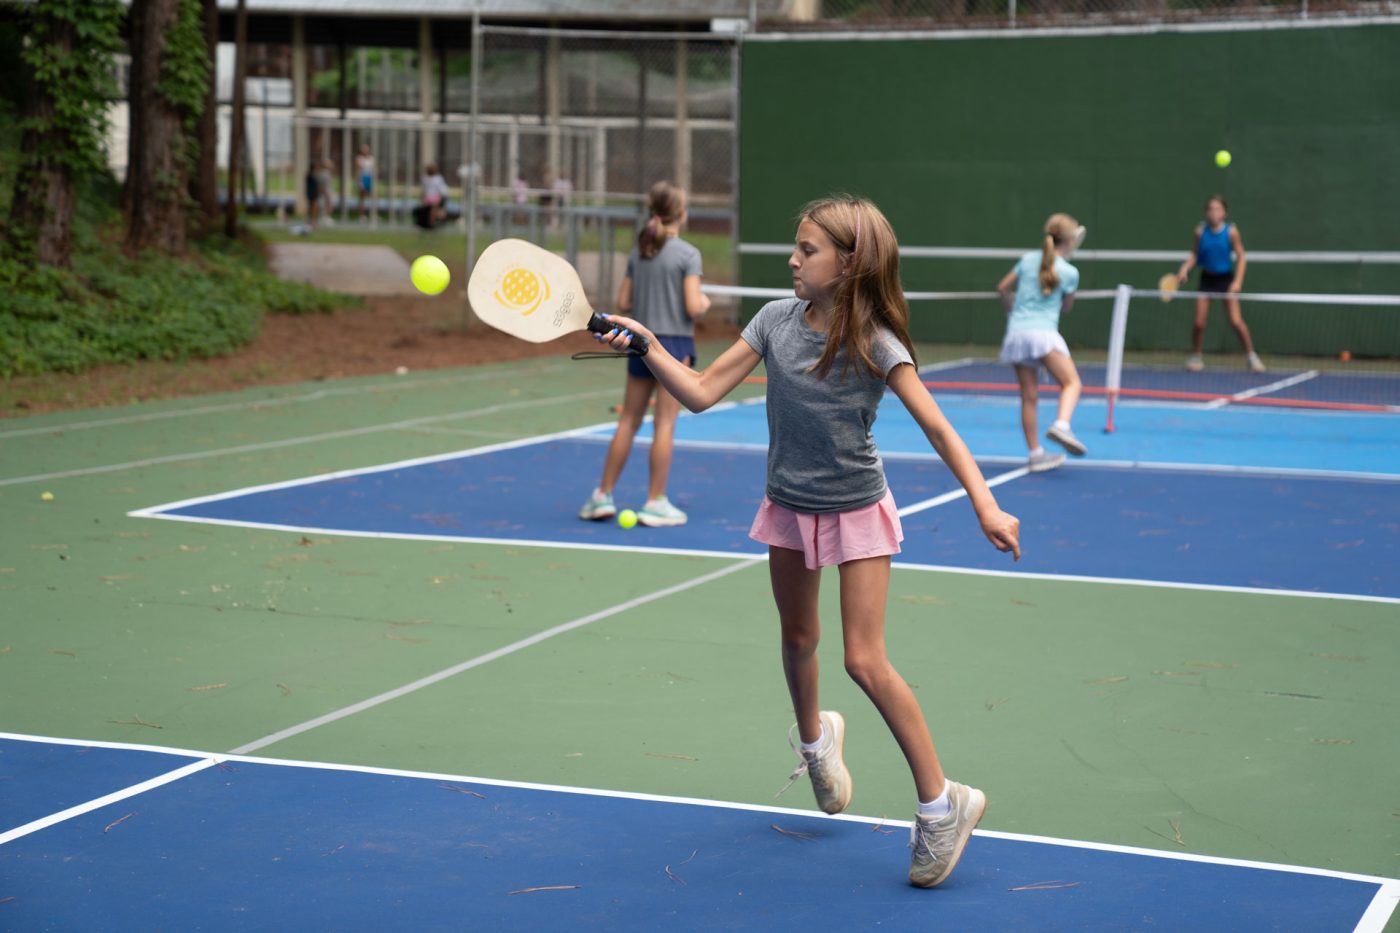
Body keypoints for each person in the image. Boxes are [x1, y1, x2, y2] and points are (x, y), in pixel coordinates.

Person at [593, 195, 1021, 888]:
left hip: (856, 509)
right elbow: (699, 391)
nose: (792, 260)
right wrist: (647, 343)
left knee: (863, 659)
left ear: (849, 264)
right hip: (790, 504)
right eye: (795, 247)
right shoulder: (773, 321)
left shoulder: (876, 342)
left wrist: (986, 504)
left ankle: (944, 804)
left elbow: (940, 429)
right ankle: (817, 743)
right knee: (797, 639)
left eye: (807, 250)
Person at [579, 181, 710, 528]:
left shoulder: (641, 251)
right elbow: (693, 306)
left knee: (628, 421)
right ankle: (655, 502)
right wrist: (704, 302)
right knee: (664, 423)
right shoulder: (688, 254)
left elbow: (623, 301)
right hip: (674, 348)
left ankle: (602, 495)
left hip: (638, 343)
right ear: (681, 213)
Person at [994, 213, 1089, 472]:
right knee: (1072, 383)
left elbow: (1002, 288)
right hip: (1043, 334)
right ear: (1069, 240)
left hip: (1016, 334)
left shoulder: (1028, 259)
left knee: (1029, 397)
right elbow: (1067, 307)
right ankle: (1062, 425)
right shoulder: (1070, 272)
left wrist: (1011, 309)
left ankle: (1035, 454)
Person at [1176, 195, 1263, 373]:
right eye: (1210, 209)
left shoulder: (1231, 232)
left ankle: (1252, 356)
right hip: (1207, 280)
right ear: (1206, 212)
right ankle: (1196, 356)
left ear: (1224, 213)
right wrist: (1185, 268)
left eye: (1217, 209)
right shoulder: (1200, 232)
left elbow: (1241, 257)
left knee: (1236, 321)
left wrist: (1237, 282)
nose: (1213, 212)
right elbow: (1195, 254)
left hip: (1226, 280)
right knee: (1199, 323)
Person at [420, 163, 450, 227]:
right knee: (434, 211)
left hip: (431, 197)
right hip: (433, 197)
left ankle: (432, 222)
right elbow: (442, 189)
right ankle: (432, 222)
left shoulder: (427, 178)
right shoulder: (437, 178)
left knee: (433, 211)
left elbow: (424, 190)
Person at [354, 144, 375, 221]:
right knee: (362, 197)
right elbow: (357, 170)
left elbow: (374, 169)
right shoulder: (359, 158)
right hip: (362, 177)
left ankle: (373, 214)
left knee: (373, 197)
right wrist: (358, 181)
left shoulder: (371, 158)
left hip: (370, 177)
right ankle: (361, 215)